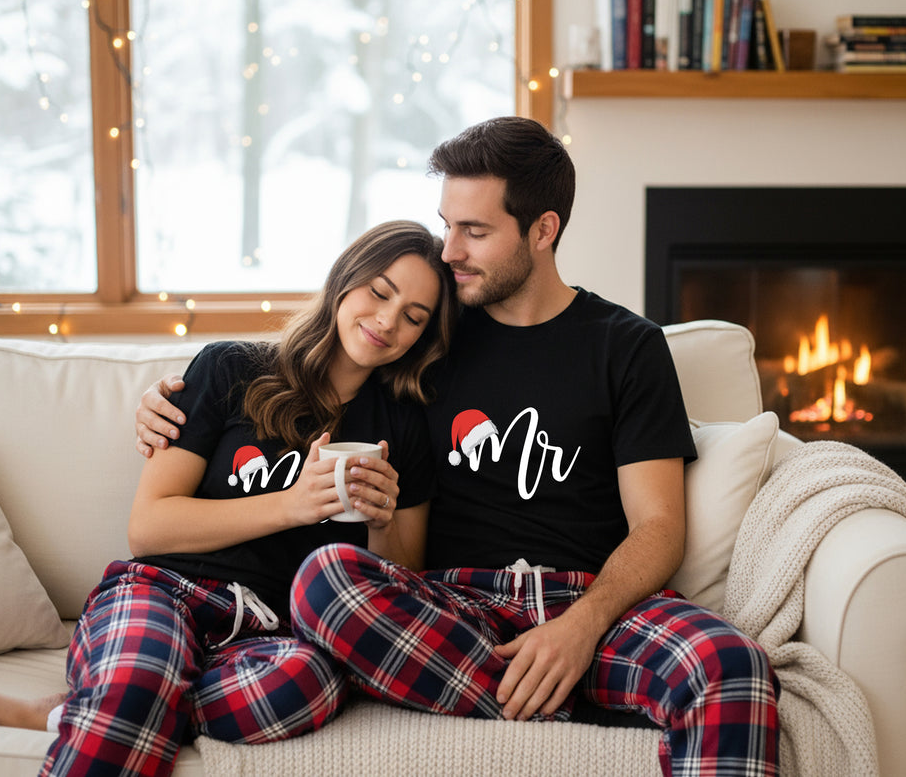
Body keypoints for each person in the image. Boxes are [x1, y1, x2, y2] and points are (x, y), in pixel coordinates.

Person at [135, 117, 781, 775]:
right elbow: (307, 365)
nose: (449, 251)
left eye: (474, 231)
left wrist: (581, 627)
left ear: (543, 230)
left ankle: (555, 682)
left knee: (735, 668)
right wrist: (168, 403)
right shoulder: (424, 334)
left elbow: (660, 525)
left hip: (590, 606)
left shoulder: (628, 346)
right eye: (447, 224)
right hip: (447, 612)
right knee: (326, 580)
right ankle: (570, 700)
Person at [0, 220, 458, 777]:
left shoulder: (405, 425)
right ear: (345, 280)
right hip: (165, 592)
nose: (388, 321)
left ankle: (93, 709)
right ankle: (125, 694)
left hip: (272, 630)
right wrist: (293, 503)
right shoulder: (231, 369)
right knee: (146, 670)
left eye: (414, 317)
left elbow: (405, 575)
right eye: (379, 292)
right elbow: (149, 527)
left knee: (307, 686)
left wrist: (382, 523)